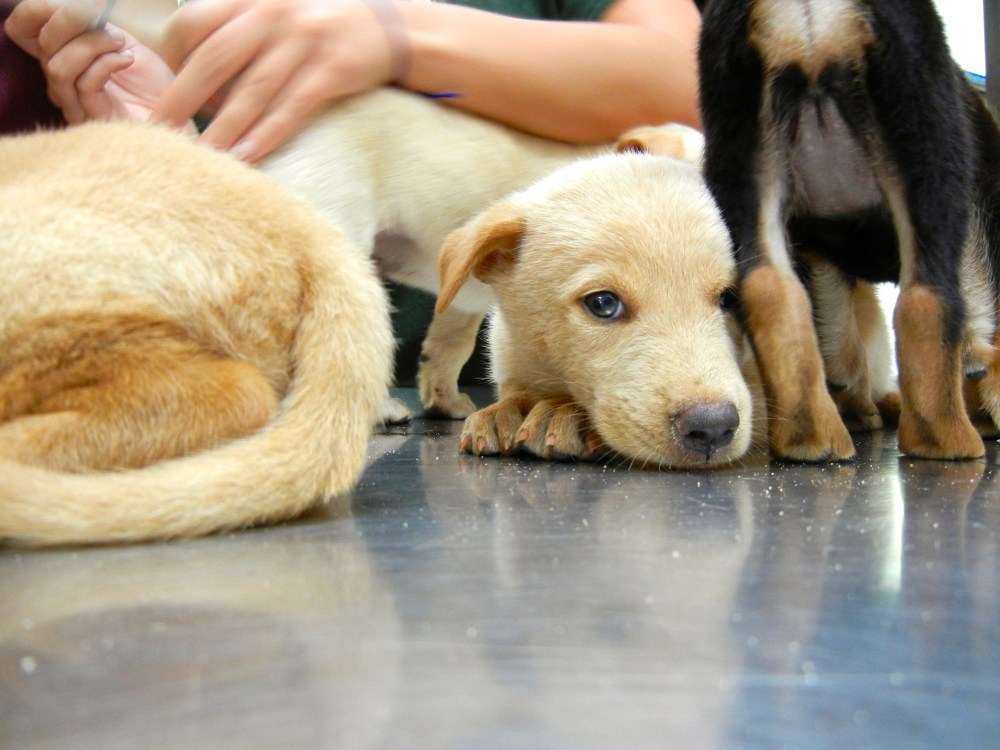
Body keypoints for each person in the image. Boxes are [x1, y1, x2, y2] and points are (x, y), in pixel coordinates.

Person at [4, 0, 702, 384]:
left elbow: (700, 89)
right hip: (296, 387)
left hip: (535, 386)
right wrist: (174, 164)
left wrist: (399, 35)